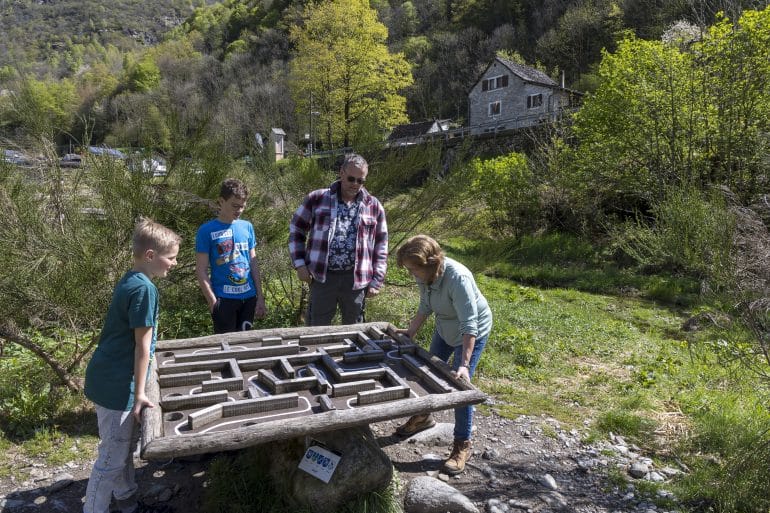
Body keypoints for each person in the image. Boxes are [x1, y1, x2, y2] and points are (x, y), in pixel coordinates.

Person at [83, 218, 180, 513]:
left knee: (121, 449)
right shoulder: (145, 290)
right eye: (171, 257)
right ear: (151, 256)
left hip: (106, 376)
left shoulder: (131, 278)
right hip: (118, 386)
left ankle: (127, 501)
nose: (174, 264)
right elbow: (142, 345)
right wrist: (140, 393)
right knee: (110, 460)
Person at [394, 234, 493, 475]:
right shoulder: (424, 276)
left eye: (413, 269)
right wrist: (410, 331)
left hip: (470, 332)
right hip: (445, 327)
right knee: (425, 374)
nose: (411, 274)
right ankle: (423, 417)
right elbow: (426, 306)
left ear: (430, 264)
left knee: (460, 388)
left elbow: (470, 324)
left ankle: (462, 444)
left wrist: (465, 365)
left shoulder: (457, 278)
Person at [289, 153, 388, 325]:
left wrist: (377, 280)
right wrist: (299, 264)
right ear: (341, 173)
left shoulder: (373, 205)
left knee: (355, 333)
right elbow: (296, 229)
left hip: (356, 281)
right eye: (351, 178)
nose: (355, 184)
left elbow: (381, 245)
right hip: (322, 278)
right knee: (316, 330)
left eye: (360, 180)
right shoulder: (317, 198)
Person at [196, 178, 267, 333]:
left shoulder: (247, 227)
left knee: (245, 345)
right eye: (235, 205)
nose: (239, 210)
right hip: (223, 299)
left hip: (249, 298)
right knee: (226, 348)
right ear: (221, 201)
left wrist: (260, 297)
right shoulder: (206, 230)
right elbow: (201, 270)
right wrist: (212, 302)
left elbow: (253, 263)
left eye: (242, 206)